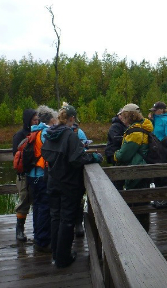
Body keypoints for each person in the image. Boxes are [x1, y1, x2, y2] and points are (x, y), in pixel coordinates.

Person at [41, 103, 102, 268]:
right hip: (68, 183)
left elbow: (48, 154)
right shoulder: (70, 135)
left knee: (55, 217)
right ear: (71, 119)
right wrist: (94, 158)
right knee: (67, 219)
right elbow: (77, 159)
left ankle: (56, 254)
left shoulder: (50, 133)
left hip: (53, 182)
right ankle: (63, 258)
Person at [114, 103, 153, 231]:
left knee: (136, 204)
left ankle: (138, 233)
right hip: (143, 168)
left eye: (124, 116)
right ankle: (144, 231)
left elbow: (123, 155)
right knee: (143, 202)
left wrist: (115, 155)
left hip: (136, 170)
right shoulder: (144, 126)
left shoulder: (135, 132)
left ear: (129, 116)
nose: (123, 119)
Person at [28, 105, 57, 253]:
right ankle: (43, 241)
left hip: (33, 175)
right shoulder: (45, 132)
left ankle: (38, 237)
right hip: (42, 175)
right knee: (45, 207)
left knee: (38, 207)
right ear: (50, 119)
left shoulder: (34, 130)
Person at [12, 108, 39, 242]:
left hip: (36, 174)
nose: (37, 121)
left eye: (37, 119)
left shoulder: (38, 133)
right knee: (24, 201)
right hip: (23, 175)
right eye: (34, 119)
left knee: (37, 202)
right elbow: (15, 154)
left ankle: (37, 230)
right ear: (28, 120)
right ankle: (19, 230)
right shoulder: (19, 135)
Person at [148, 101, 167, 187]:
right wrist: (151, 120)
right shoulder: (155, 119)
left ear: (161, 110)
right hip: (155, 149)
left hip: (164, 149)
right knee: (157, 173)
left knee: (165, 173)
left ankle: (165, 192)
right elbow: (153, 130)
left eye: (155, 110)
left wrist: (166, 150)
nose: (154, 112)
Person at [105, 109, 128, 190]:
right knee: (118, 177)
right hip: (113, 153)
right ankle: (117, 192)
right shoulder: (115, 126)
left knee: (120, 176)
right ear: (119, 115)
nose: (124, 117)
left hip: (119, 153)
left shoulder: (124, 125)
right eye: (122, 115)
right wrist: (128, 140)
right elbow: (115, 139)